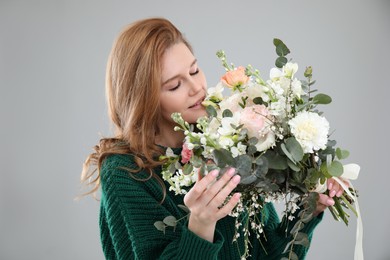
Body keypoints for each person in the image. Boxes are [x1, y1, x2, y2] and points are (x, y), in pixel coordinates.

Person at [81, 17, 345, 259]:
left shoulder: (224, 140)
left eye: (194, 71)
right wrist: (201, 226)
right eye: (175, 85)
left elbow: (266, 254)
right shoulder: (125, 173)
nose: (197, 88)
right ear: (144, 98)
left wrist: (308, 211)